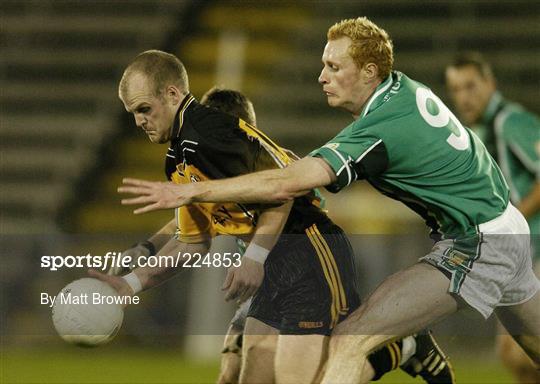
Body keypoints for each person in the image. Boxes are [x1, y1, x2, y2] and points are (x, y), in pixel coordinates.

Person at [118, 18, 540, 384]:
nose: (322, 76)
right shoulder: (402, 90)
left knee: (349, 342)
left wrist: (191, 191)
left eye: (335, 66)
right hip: (506, 228)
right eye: (323, 64)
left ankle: (405, 346)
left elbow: (287, 187)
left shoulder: (378, 127)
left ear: (370, 71)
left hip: (477, 242)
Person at [94, 51, 453, 384]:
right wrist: (133, 283)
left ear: (173, 95)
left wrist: (253, 257)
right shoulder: (179, 156)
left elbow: (282, 191)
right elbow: (193, 240)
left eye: (144, 109)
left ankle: (400, 347)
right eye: (133, 113)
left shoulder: (211, 135)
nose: (139, 121)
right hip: (272, 266)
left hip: (307, 249)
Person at [445, 51, 540, 384]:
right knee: (514, 355)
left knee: (522, 351)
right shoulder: (475, 134)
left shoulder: (510, 122)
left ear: (491, 84)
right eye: (456, 89)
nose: (464, 96)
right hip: (518, 257)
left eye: (471, 86)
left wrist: (512, 217)